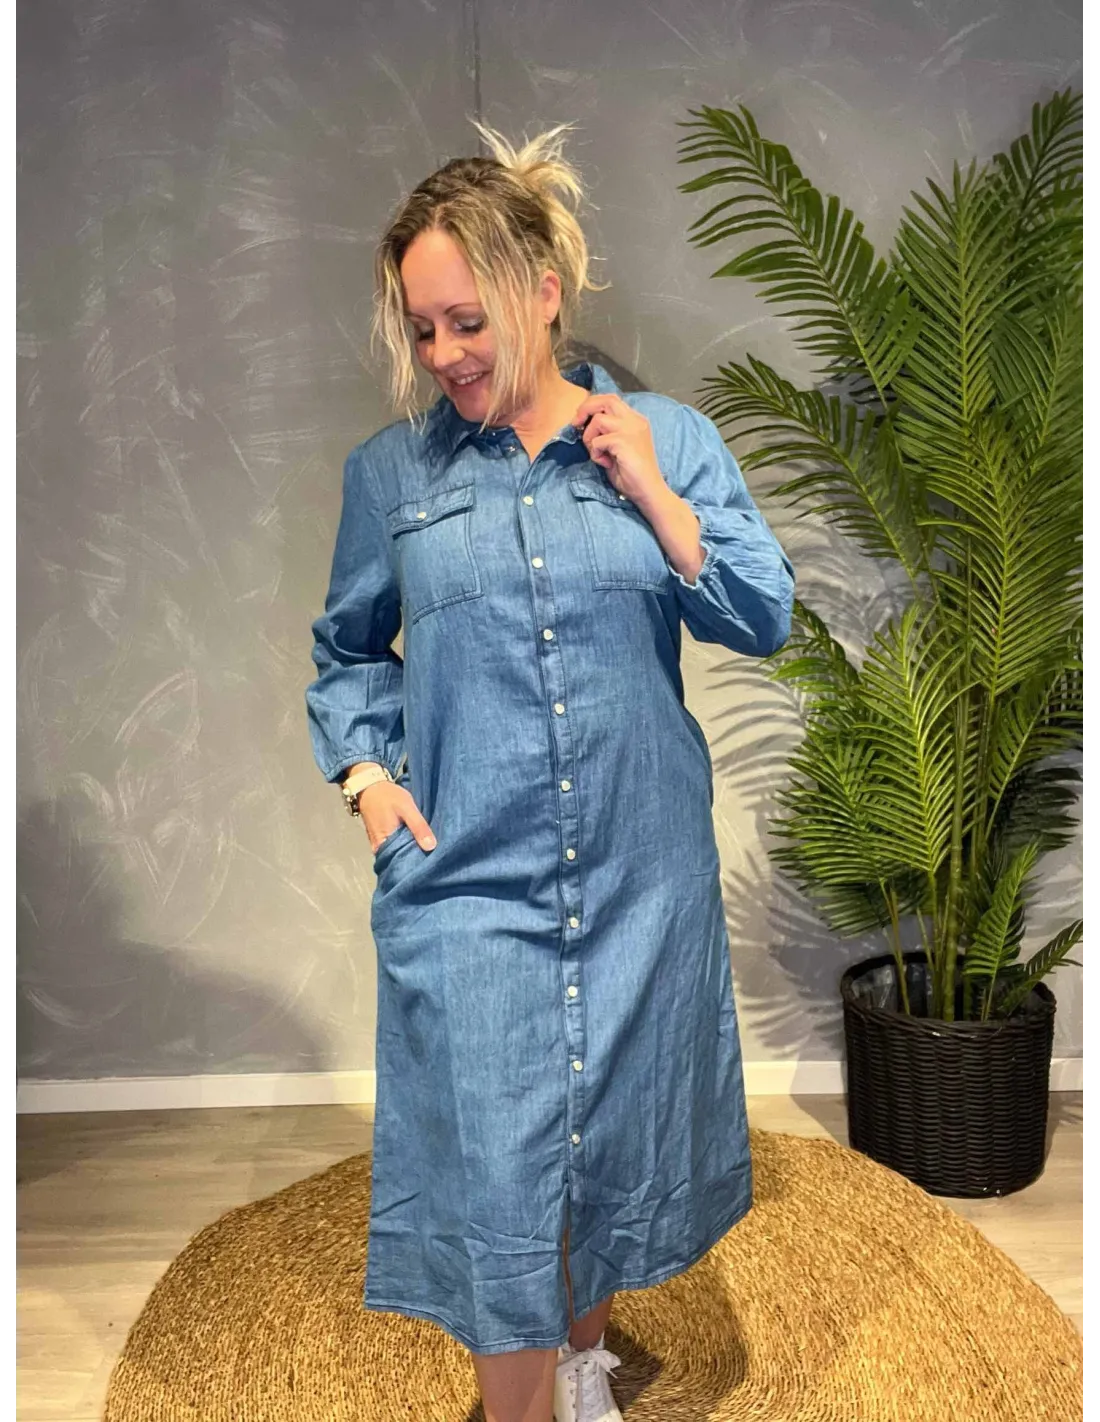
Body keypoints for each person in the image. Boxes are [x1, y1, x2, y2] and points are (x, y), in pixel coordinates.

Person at [305, 117, 795, 1422]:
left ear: (543, 291)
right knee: (500, 1171)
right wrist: (368, 782)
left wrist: (660, 501)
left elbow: (765, 615)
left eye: (466, 321)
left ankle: (579, 1364)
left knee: (608, 1143)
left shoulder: (667, 438)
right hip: (470, 875)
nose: (444, 355)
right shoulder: (391, 476)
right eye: (423, 330)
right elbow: (346, 652)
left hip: (641, 874)